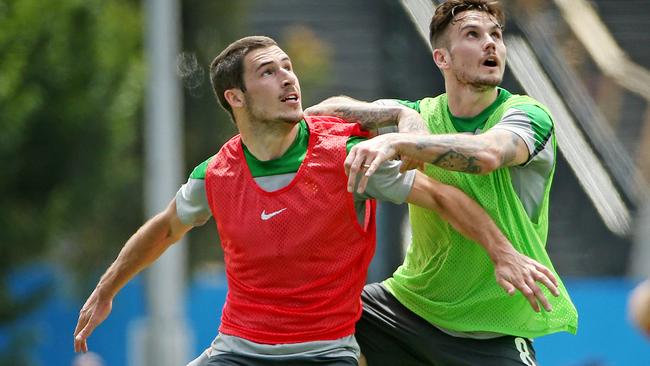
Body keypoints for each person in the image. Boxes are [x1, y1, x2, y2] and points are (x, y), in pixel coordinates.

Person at [73, 35, 559, 366]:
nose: (289, 78)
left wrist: (501, 251)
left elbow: (443, 196)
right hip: (237, 350)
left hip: (326, 353)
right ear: (235, 98)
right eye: (268, 72)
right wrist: (107, 289)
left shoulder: (347, 156)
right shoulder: (218, 173)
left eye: (289, 67)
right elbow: (164, 228)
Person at [305, 1, 579, 364]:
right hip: (407, 310)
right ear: (442, 58)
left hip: (492, 331)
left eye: (496, 35)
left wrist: (400, 140)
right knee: (314, 326)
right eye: (473, 35)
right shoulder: (420, 115)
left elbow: (486, 156)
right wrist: (399, 113)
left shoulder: (528, 115)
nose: (491, 44)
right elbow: (324, 111)